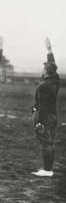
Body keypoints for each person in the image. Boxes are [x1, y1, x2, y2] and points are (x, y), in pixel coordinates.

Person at [31, 38, 60, 177]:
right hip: (53, 115)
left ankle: (47, 170)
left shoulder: (43, 85)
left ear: (46, 71)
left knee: (45, 143)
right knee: (50, 142)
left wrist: (39, 122)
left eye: (44, 67)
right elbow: (53, 66)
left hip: (44, 116)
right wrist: (49, 50)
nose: (42, 69)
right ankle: (49, 168)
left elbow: (41, 106)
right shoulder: (56, 80)